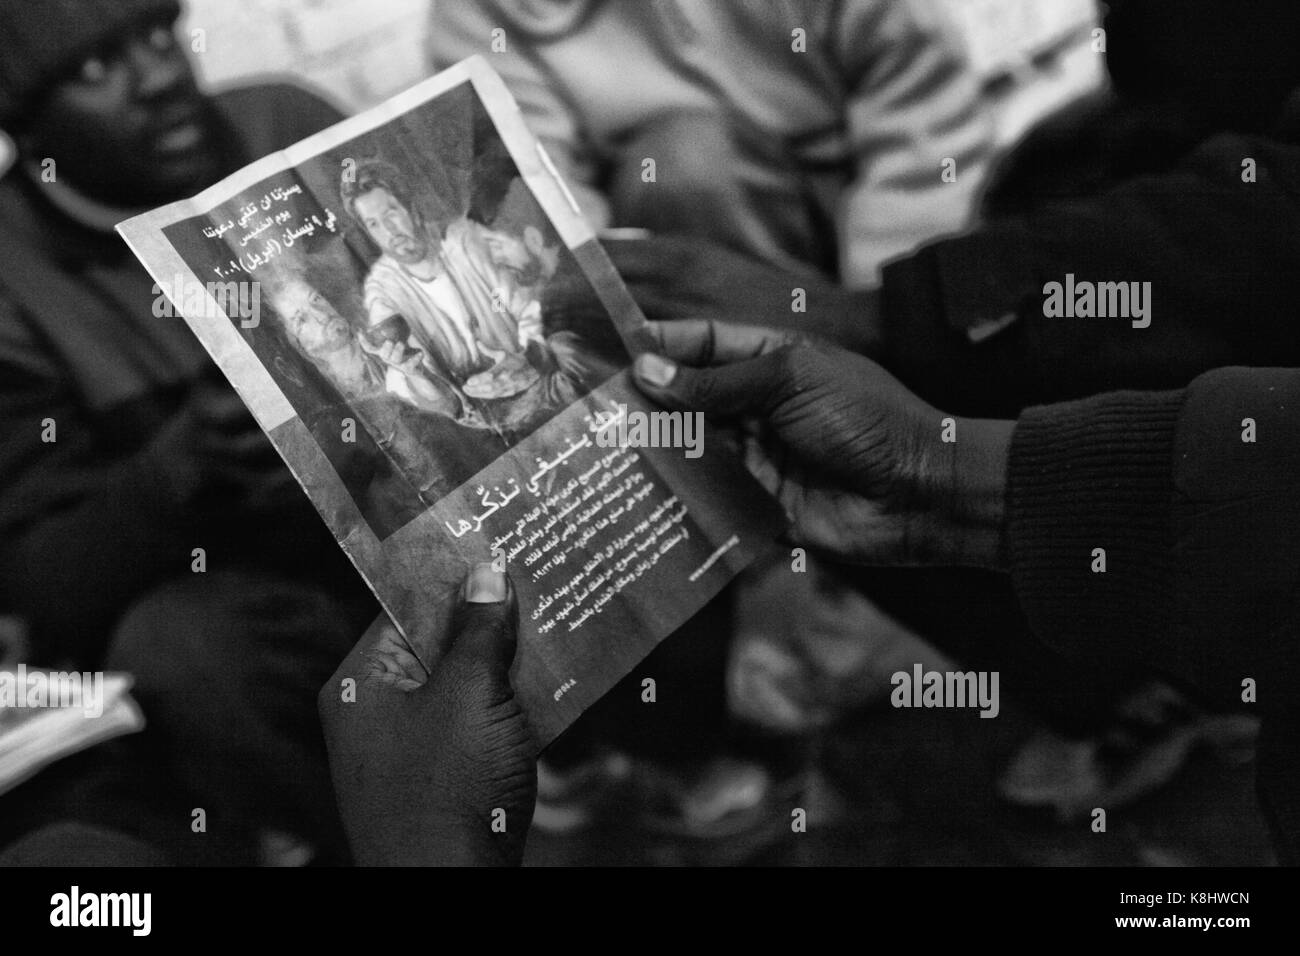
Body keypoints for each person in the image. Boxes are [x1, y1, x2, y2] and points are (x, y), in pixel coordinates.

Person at [0, 0, 374, 861]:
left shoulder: (282, 121)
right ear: (25, 120)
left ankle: (637, 753)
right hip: (270, 583)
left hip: (437, 505)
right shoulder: (15, 283)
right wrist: (184, 471)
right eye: (98, 68)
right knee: (183, 650)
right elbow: (46, 591)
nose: (163, 75)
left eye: (159, 33)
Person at [427, 0, 997, 285]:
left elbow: (925, 123)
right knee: (682, 164)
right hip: (669, 248)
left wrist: (893, 313)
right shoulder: (479, 16)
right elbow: (545, 209)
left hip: (862, 227)